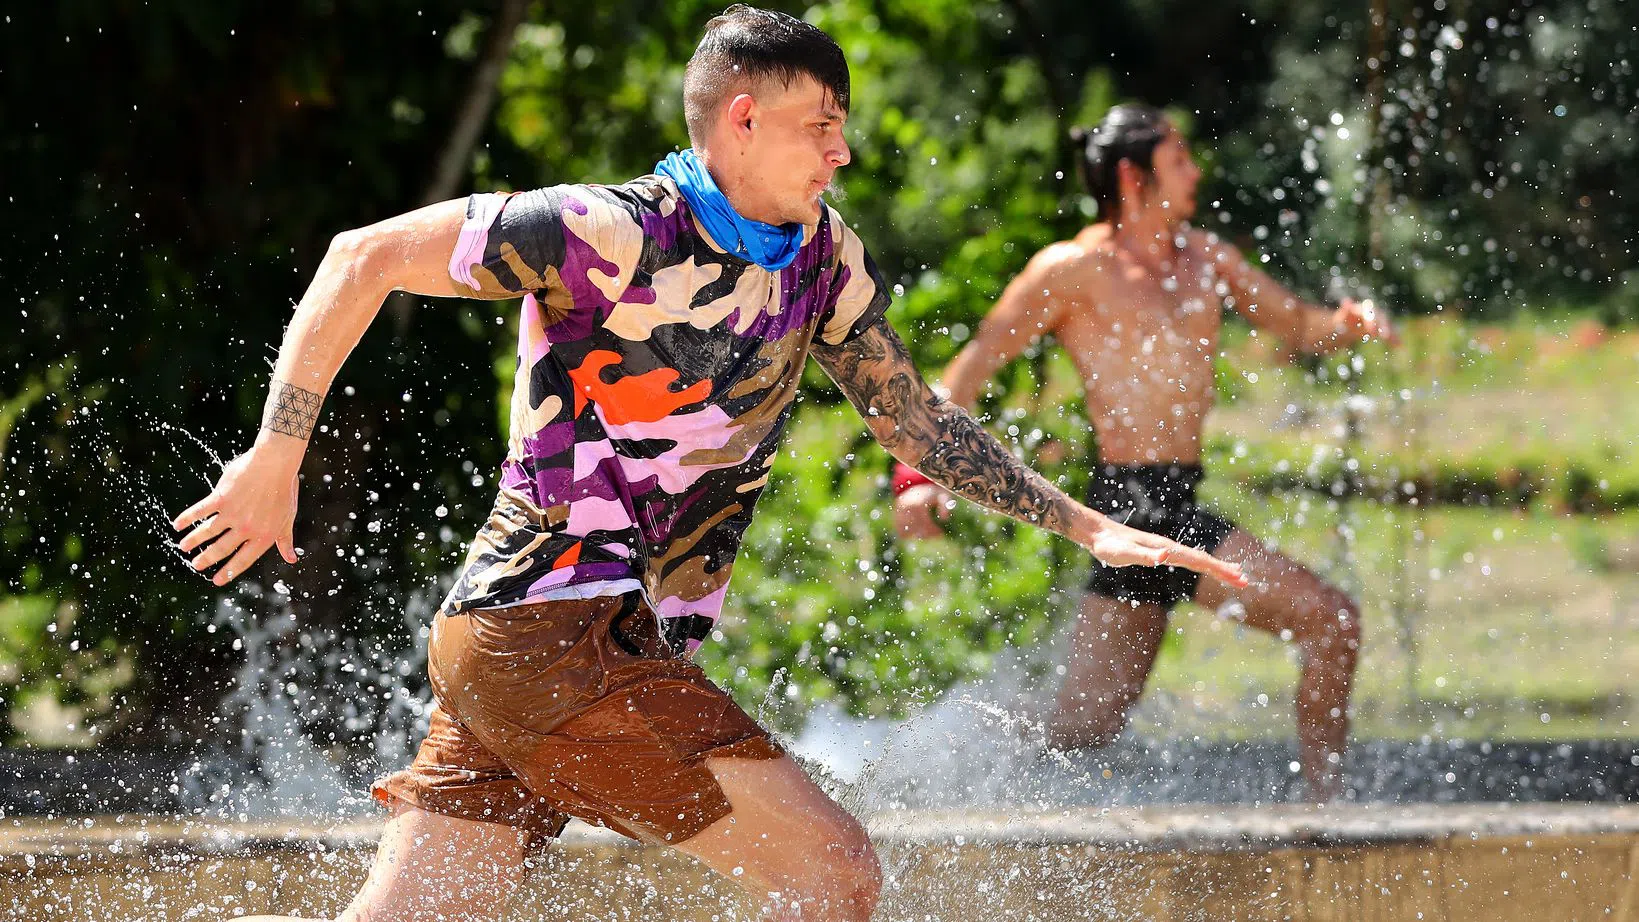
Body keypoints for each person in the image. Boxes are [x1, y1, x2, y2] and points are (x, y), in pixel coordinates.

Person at [172, 13, 1245, 922]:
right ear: (743, 119)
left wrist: (1087, 525)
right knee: (836, 873)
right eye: (820, 126)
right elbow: (361, 254)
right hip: (550, 630)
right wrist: (278, 452)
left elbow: (913, 420)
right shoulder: (607, 230)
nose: (841, 151)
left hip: (542, 647)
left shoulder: (821, 259)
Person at [894, 103, 1394, 802]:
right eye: (1178, 160)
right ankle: (1328, 812)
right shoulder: (1073, 268)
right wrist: (915, 477)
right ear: (1133, 176)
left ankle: (922, 756)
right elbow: (967, 372)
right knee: (1329, 620)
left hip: (1171, 501)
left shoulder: (1205, 259)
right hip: (1130, 506)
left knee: (1083, 726)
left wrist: (1349, 324)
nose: (1194, 173)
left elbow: (1299, 326)